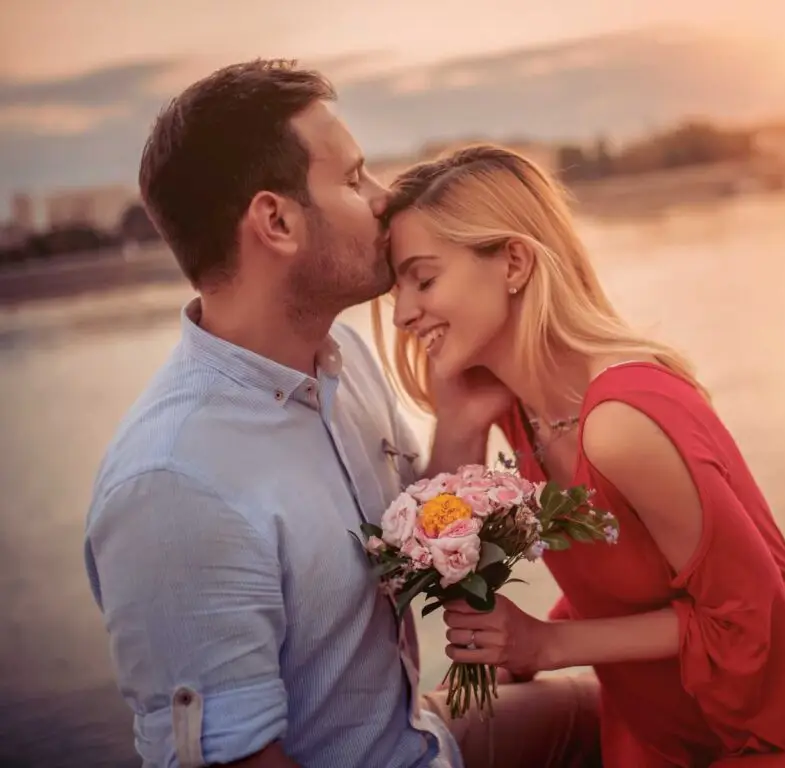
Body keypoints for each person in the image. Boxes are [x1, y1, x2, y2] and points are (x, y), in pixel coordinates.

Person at [84, 60, 599, 768]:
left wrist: (461, 420)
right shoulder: (175, 485)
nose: (385, 199)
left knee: (629, 711)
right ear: (276, 220)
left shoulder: (342, 358)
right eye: (355, 179)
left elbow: (413, 557)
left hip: (418, 737)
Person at [376, 143, 785, 767]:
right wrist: (459, 425)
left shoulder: (622, 422)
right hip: (658, 728)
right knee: (426, 734)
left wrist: (547, 645)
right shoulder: (522, 413)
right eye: (398, 291)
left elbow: (746, 620)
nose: (406, 313)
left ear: (513, 261)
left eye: (425, 279)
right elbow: (443, 564)